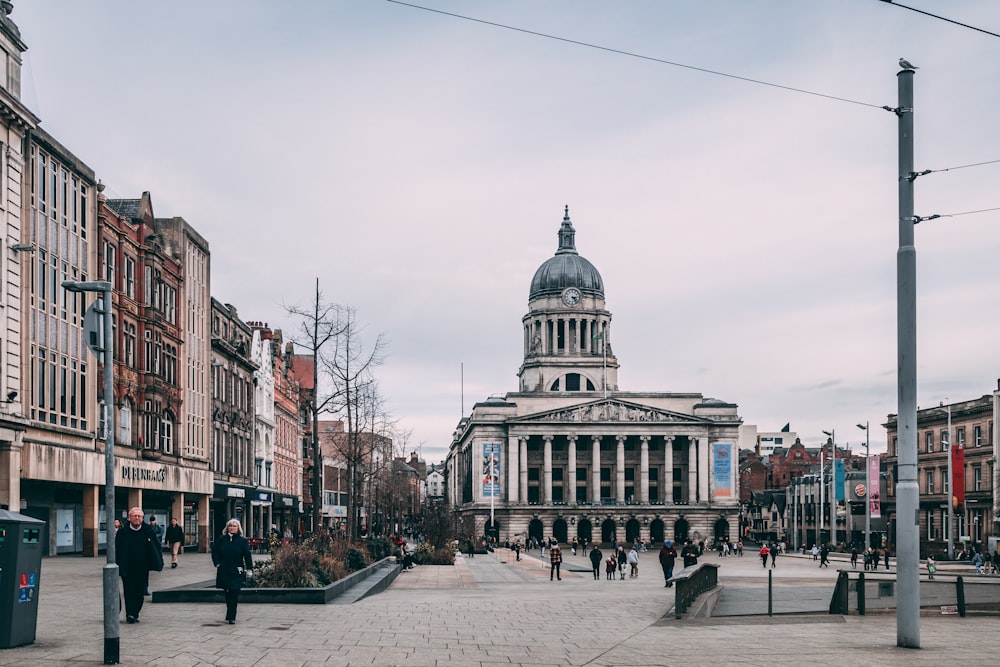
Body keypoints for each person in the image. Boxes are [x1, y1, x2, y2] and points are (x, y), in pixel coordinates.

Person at [115, 507, 163, 624]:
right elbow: (117, 549)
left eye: (139, 516)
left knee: (140, 592)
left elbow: (156, 547)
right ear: (129, 518)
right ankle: (130, 614)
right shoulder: (123, 532)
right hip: (127, 566)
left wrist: (158, 561)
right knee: (129, 590)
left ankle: (135, 612)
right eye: (134, 516)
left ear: (142, 518)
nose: (137, 518)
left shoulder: (148, 530)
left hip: (142, 566)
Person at [212, 518, 254, 624]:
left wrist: (249, 568)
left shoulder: (242, 541)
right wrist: (217, 563)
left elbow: (247, 555)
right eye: (230, 526)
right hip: (224, 569)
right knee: (227, 592)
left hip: (236, 570)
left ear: (238, 528)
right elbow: (215, 551)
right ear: (227, 528)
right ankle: (229, 613)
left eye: (234, 526)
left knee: (234, 592)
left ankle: (232, 616)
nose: (232, 528)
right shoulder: (221, 539)